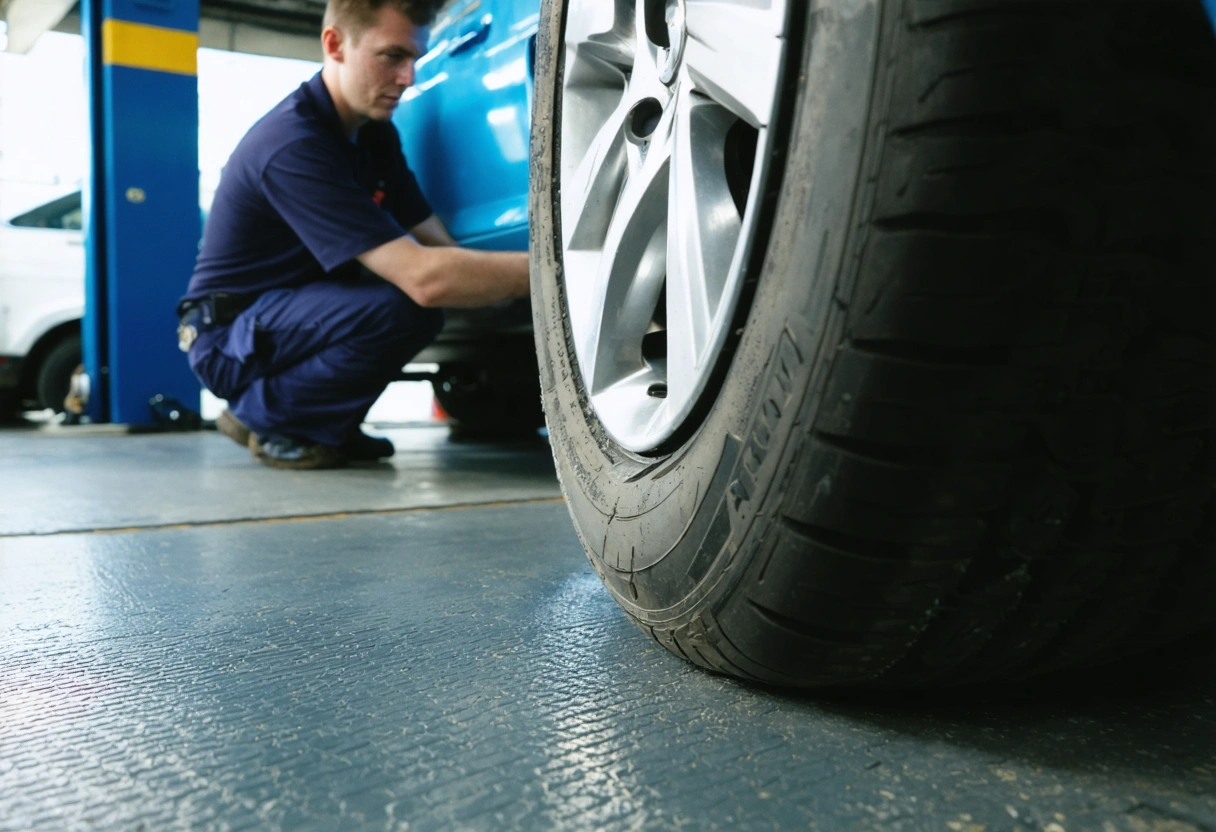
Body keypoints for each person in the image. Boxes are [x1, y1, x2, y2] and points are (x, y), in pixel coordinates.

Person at [177, 0, 530, 469]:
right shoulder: (293, 146)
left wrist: (502, 287)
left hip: (289, 311)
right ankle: (265, 414)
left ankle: (324, 424)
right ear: (334, 44)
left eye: (414, 60)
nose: (408, 78)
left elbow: (436, 244)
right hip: (229, 337)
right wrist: (565, 272)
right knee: (406, 306)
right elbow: (425, 279)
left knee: (408, 301)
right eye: (391, 57)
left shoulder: (374, 134)